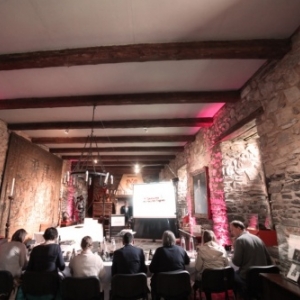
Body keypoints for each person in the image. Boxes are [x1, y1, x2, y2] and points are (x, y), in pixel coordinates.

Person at [230, 220, 272, 298]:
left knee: (231, 274)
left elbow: (237, 262)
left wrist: (232, 255)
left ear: (239, 228)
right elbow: (268, 258)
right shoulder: (257, 238)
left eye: (232, 229)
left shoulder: (240, 240)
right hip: (262, 276)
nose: (231, 232)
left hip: (248, 276)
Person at [149, 230, 190, 300]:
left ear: (163, 240)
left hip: (162, 287)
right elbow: (187, 262)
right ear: (174, 239)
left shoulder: (159, 251)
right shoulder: (181, 249)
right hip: (180, 286)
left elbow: (151, 269)